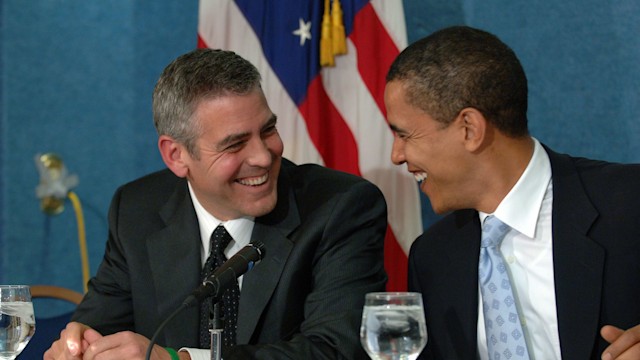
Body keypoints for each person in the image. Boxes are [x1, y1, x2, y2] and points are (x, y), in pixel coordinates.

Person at [44, 48, 387, 360]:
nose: (263, 157)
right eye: (235, 144)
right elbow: (99, 328)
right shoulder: (137, 210)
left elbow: (337, 351)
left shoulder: (340, 207)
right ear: (176, 156)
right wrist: (80, 346)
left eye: (268, 130)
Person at [384, 25, 640, 360]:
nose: (396, 155)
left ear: (469, 129)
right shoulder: (432, 257)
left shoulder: (630, 203)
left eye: (405, 135)